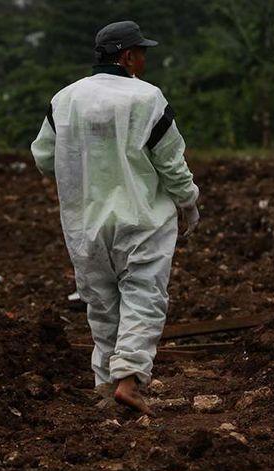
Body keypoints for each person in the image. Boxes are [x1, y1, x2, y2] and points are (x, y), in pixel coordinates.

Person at [31, 21, 199, 416]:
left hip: (85, 224)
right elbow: (171, 163)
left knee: (102, 305)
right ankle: (129, 381)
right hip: (141, 220)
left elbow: (42, 158)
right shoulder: (147, 98)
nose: (144, 60)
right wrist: (188, 201)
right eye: (141, 53)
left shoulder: (65, 99)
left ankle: (105, 385)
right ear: (127, 57)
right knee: (143, 297)